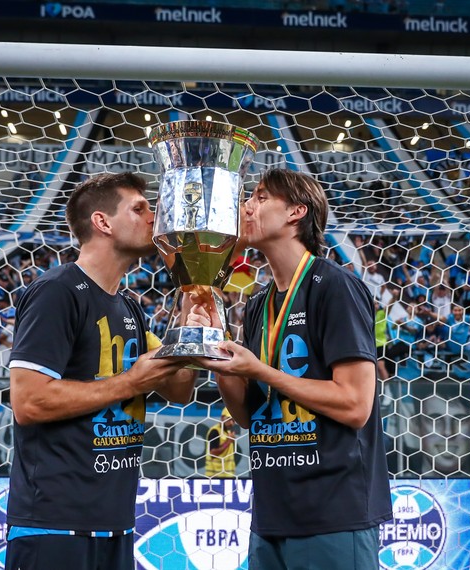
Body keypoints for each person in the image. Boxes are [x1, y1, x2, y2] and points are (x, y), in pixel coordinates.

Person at [194, 169, 392, 570]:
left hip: (333, 514)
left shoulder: (335, 286)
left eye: (261, 197)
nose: (246, 206)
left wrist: (262, 371)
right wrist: (220, 359)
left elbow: (356, 405)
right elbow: (249, 415)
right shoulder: (258, 302)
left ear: (296, 212)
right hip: (271, 514)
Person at [5, 172, 201, 570]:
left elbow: (179, 388)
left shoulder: (126, 305)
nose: (153, 216)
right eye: (139, 208)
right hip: (56, 527)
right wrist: (131, 382)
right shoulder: (57, 291)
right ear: (103, 222)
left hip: (115, 524)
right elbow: (28, 402)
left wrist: (188, 310)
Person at [205, 408, 238, 478]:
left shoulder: (228, 432)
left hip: (228, 475)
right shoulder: (215, 431)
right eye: (229, 419)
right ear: (222, 418)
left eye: (233, 420)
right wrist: (228, 442)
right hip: (215, 476)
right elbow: (213, 453)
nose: (232, 423)